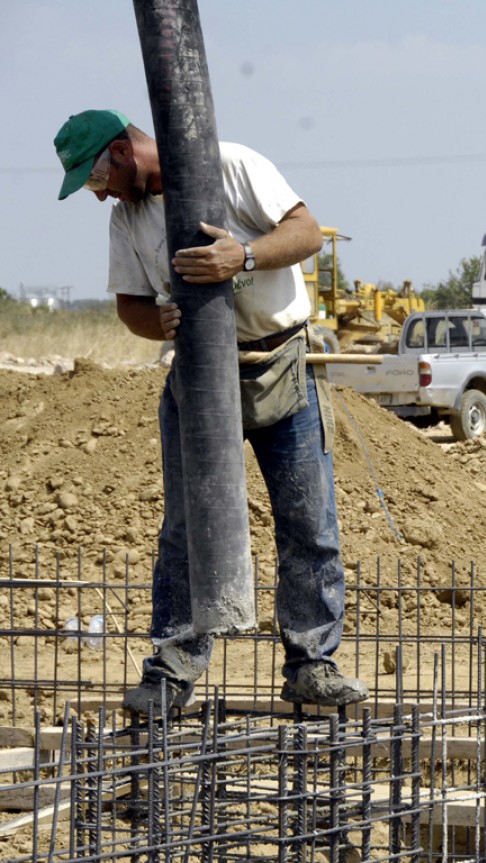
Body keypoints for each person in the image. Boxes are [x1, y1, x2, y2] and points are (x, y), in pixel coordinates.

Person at [54, 109, 369, 713]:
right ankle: (173, 668)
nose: (100, 199)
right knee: (186, 530)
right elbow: (130, 307)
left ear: (122, 152)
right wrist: (159, 321)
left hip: (278, 364)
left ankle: (312, 663)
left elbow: (306, 232)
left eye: (97, 182)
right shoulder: (129, 216)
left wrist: (242, 258)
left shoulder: (231, 164)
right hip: (197, 378)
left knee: (308, 523)